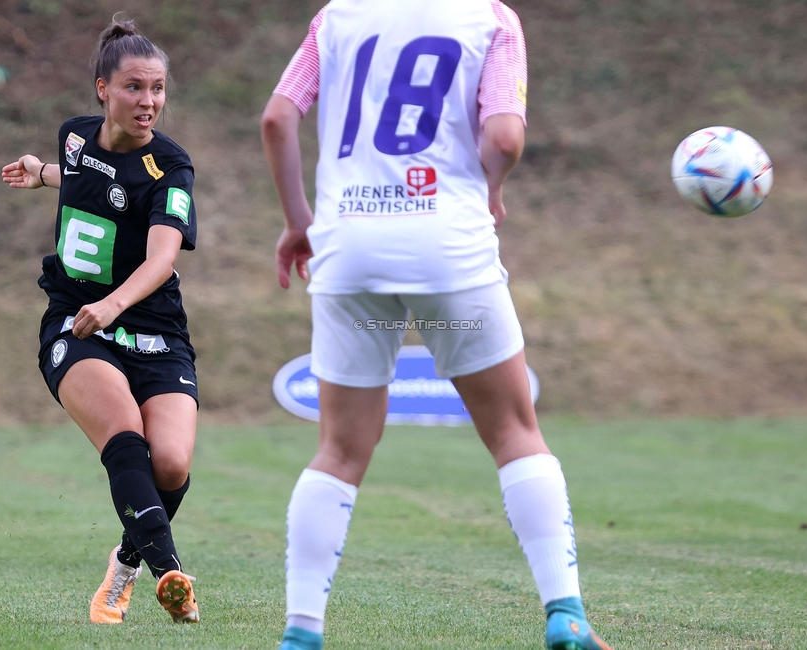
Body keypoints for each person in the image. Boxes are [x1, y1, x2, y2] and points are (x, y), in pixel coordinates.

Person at [261, 1, 612, 648]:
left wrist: (297, 222)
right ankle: (566, 615)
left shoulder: (336, 17)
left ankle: (302, 632)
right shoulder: (489, 19)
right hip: (446, 245)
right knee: (513, 432)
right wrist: (492, 187)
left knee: (339, 452)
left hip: (350, 247)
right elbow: (504, 137)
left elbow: (278, 117)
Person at [1, 15, 200, 625]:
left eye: (158, 89)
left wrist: (115, 304)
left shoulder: (173, 166)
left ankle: (125, 564)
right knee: (127, 441)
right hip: (74, 323)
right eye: (135, 88)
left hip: (154, 331)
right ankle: (173, 577)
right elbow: (93, 179)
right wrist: (43, 175)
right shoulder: (74, 138)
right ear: (102, 89)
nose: (149, 102)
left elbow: (163, 254)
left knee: (171, 465)